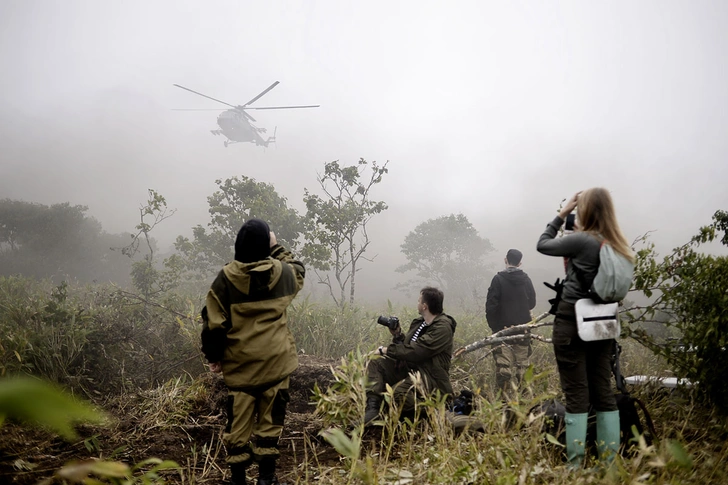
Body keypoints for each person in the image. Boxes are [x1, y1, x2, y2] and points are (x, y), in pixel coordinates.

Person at [201, 218, 305, 485]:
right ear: (265, 245)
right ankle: (267, 478)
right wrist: (276, 246)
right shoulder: (282, 274)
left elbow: (213, 323)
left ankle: (238, 479)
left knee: (238, 426)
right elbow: (298, 270)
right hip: (276, 364)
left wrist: (214, 357)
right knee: (271, 422)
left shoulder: (225, 279)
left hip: (241, 368)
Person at [536, 188, 633, 469]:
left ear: (586, 210)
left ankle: (575, 464)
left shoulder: (582, 241)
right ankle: (609, 462)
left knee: (577, 393)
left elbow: (543, 244)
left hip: (571, 323)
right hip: (604, 322)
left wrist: (562, 214)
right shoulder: (617, 243)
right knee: (603, 391)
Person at [364, 287, 457, 425]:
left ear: (425, 306)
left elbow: (418, 350)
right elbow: (407, 347)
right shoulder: (419, 323)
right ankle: (373, 410)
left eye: (419, 300)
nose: (417, 303)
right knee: (376, 363)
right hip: (410, 369)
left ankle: (434, 410)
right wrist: (397, 334)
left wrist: (386, 350)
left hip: (430, 376)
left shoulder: (443, 327)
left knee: (397, 395)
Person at [485, 249, 536, 397]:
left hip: (502, 330)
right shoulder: (526, 279)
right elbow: (531, 302)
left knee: (504, 369)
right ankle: (525, 404)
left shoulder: (498, 279)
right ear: (520, 263)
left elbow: (491, 306)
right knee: (523, 369)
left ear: (505, 259)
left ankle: (502, 404)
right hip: (523, 330)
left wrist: (495, 327)